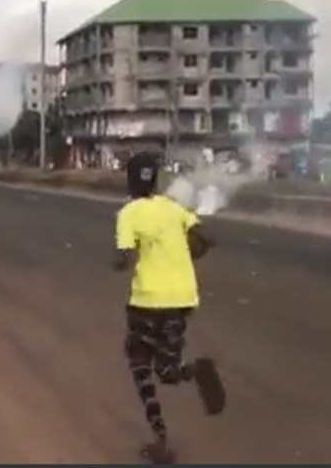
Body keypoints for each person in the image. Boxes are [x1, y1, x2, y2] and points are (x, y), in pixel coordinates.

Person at [114, 152, 223, 464]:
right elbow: (202, 241)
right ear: (156, 180)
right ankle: (195, 370)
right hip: (182, 299)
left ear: (130, 181)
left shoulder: (129, 212)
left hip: (147, 301)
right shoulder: (174, 208)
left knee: (140, 366)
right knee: (166, 369)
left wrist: (118, 261)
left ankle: (161, 439)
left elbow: (124, 257)